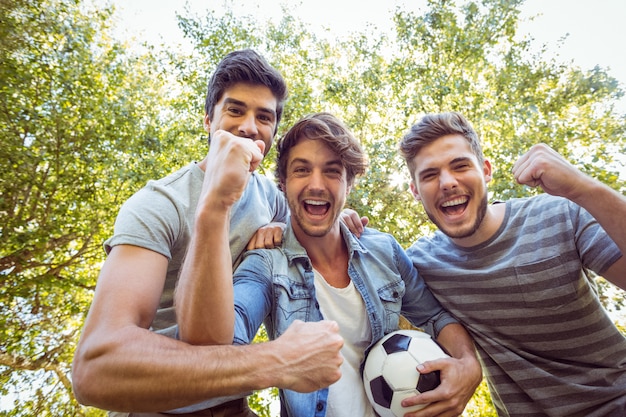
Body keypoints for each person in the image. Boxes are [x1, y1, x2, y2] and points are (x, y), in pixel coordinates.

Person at [71, 49, 349, 417]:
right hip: (157, 407)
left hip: (233, 404)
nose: (249, 126)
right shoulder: (159, 204)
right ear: (207, 120)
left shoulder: (269, 196)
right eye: (235, 110)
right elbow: (94, 370)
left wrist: (339, 219)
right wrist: (275, 362)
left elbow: (311, 224)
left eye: (263, 117)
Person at [176, 112, 482, 417]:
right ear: (282, 184)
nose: (317, 185)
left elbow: (435, 316)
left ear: (349, 184)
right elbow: (219, 342)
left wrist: (468, 364)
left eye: (332, 172)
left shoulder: (384, 250)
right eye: (302, 170)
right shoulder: (266, 263)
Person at [394, 111, 626, 417]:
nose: (448, 182)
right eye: (429, 174)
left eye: (460, 166)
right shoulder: (419, 265)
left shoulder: (558, 214)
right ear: (415, 191)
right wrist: (341, 226)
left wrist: (582, 188)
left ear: (486, 170)